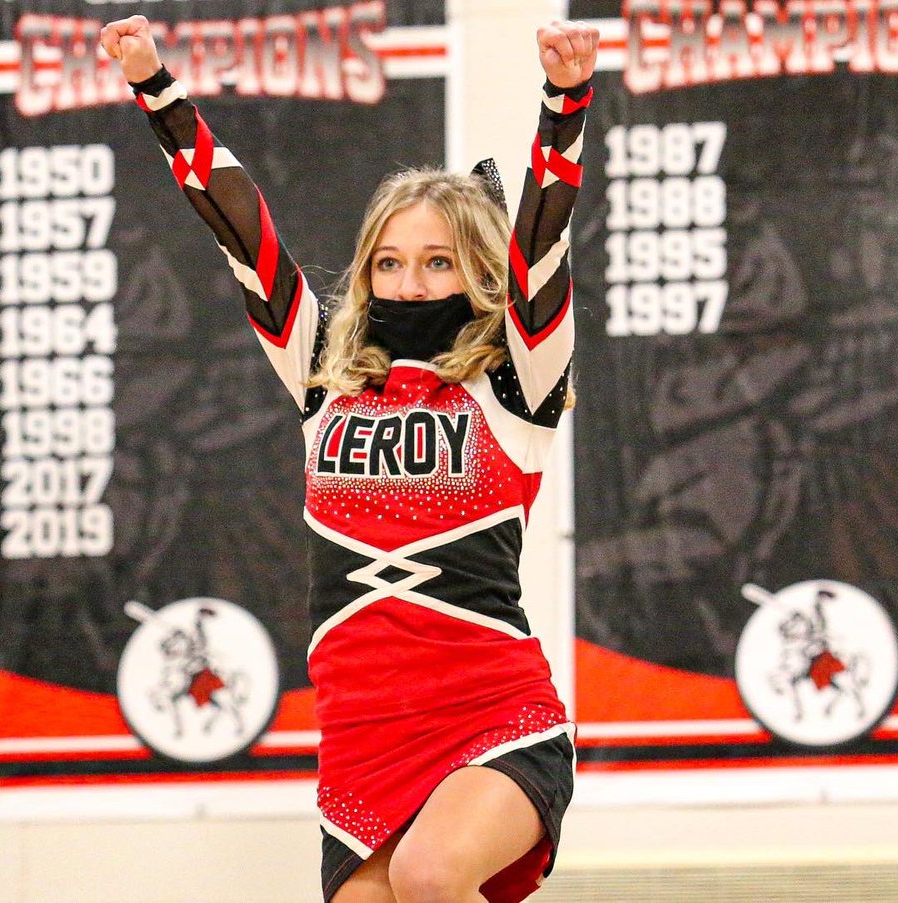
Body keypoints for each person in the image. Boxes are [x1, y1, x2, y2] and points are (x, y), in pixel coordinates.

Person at [100, 14, 599, 902]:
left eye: (440, 263)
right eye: (390, 263)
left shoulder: (516, 382)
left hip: (490, 714)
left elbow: (545, 247)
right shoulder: (323, 369)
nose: (411, 284)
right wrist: (157, 90)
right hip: (364, 732)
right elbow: (235, 227)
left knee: (430, 872)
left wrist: (563, 105)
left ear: (478, 274)